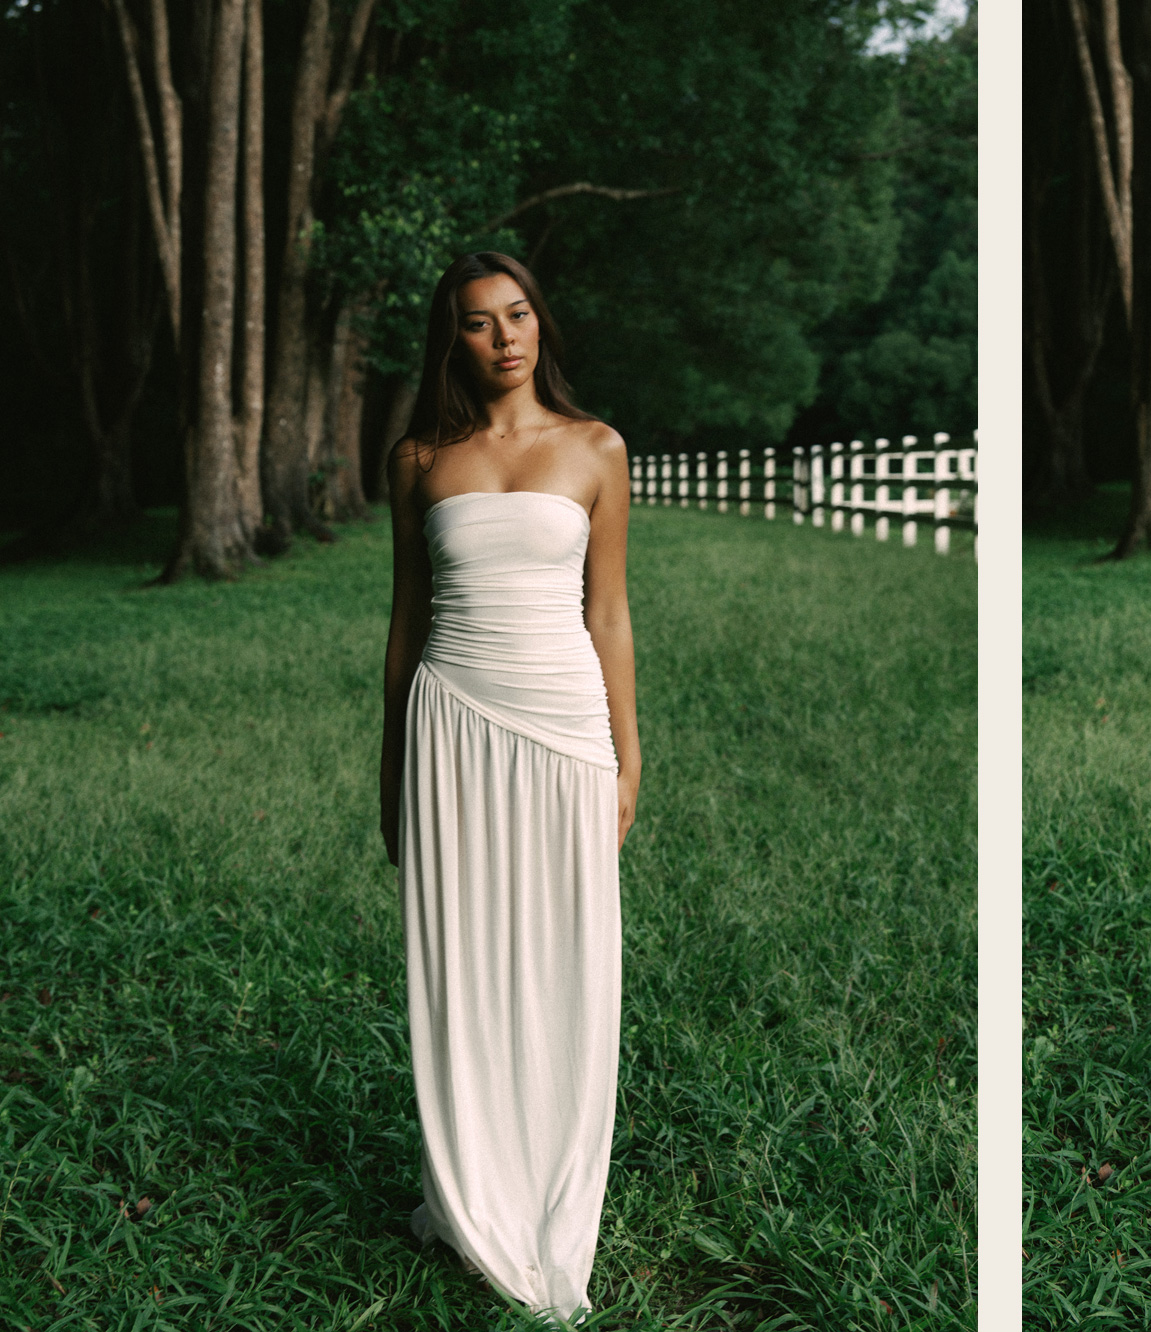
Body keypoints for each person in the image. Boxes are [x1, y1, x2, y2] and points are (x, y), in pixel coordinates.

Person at [379, 251, 641, 1319]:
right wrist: (389, 766)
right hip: (449, 721)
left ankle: (545, 1194)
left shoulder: (595, 448)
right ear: (453, 340)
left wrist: (628, 755)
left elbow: (609, 613)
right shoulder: (418, 459)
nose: (503, 338)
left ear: (542, 323)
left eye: (519, 314)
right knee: (463, 958)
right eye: (480, 323)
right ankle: (470, 1190)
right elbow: (403, 623)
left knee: (564, 953)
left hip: (563, 722)